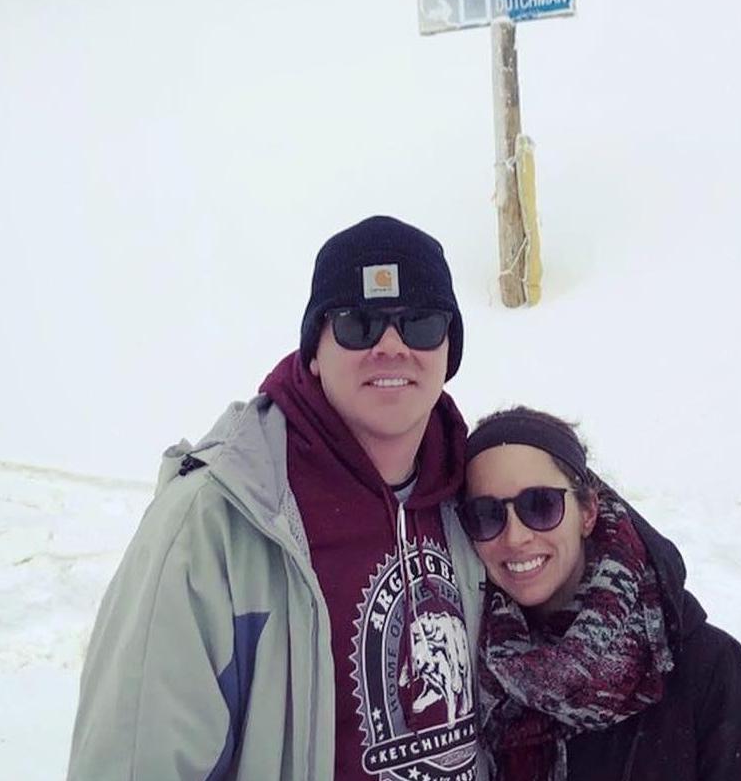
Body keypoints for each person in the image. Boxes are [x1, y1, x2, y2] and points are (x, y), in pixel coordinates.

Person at [67, 216, 485, 781]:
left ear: (448, 352)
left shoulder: (483, 502)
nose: (392, 345)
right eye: (359, 324)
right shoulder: (217, 521)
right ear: (314, 350)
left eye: (422, 324)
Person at [461, 407, 741, 781]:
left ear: (588, 511)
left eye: (541, 505)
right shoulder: (469, 668)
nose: (515, 537)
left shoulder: (703, 667)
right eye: (486, 514)